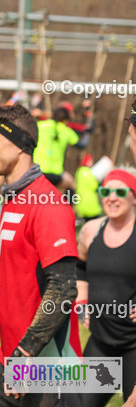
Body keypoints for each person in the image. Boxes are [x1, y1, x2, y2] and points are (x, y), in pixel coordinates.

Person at [0, 104, 82, 407]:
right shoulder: (13, 198)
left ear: (20, 143)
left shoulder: (48, 204)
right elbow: (19, 277)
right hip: (9, 358)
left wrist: (26, 354)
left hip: (47, 366)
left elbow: (63, 289)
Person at [76, 168, 136, 407]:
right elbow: (80, 268)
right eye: (105, 191)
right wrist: (82, 303)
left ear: (134, 197)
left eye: (120, 192)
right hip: (101, 341)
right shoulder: (90, 230)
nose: (111, 198)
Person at [34, 102, 94, 193]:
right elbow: (83, 145)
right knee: (72, 184)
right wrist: (87, 133)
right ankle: (67, 202)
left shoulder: (40, 125)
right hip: (55, 174)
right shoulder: (66, 130)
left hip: (37, 171)